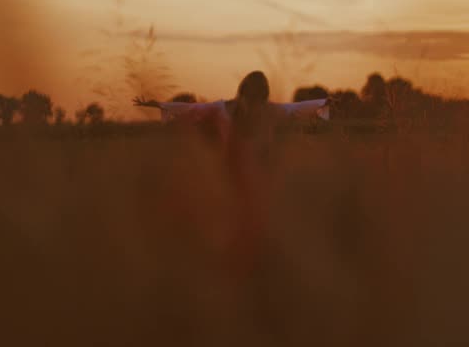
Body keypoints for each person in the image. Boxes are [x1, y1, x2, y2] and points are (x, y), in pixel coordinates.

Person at [132, 72, 330, 272]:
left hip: (260, 179)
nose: (254, 106)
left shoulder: (268, 110)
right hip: (228, 178)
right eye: (252, 99)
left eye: (259, 101)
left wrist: (325, 102)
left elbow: (296, 109)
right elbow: (191, 109)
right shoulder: (221, 109)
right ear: (242, 95)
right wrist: (157, 105)